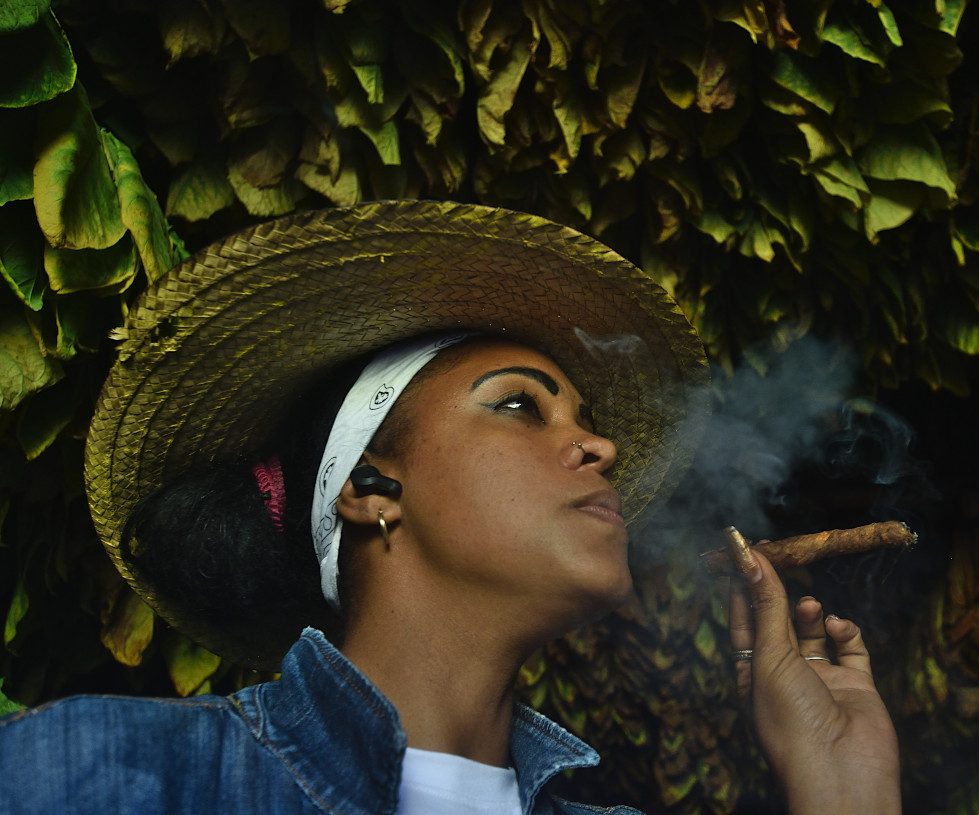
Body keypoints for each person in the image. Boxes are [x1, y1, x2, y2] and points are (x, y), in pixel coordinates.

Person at [0, 200, 900, 813]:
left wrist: (844, 792)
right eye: (519, 403)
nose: (602, 449)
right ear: (369, 488)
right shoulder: (114, 775)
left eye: (585, 418)